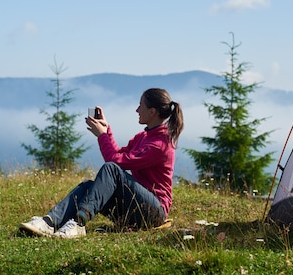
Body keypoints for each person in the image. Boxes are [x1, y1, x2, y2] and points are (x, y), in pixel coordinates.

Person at [19, 88, 184, 239]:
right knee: (87, 186)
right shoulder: (143, 137)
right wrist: (106, 131)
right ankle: (49, 223)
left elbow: (115, 163)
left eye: (140, 105)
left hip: (154, 212)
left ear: (152, 111)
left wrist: (102, 136)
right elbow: (118, 155)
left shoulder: (161, 145)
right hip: (135, 206)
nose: (137, 110)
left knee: (111, 169)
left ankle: (79, 224)